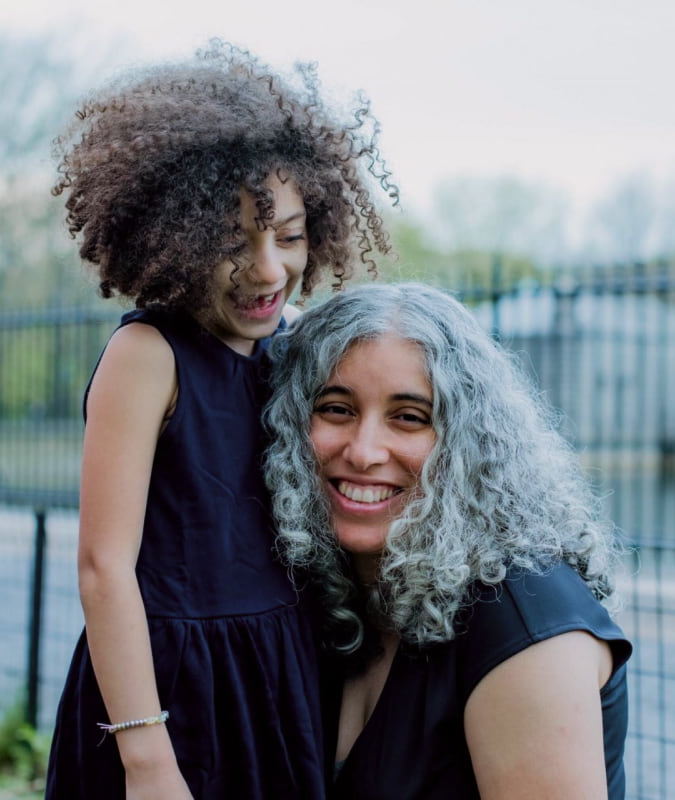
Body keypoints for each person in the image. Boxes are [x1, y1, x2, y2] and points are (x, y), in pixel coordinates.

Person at [44, 40, 396, 800]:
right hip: (169, 693)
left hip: (280, 676)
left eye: (291, 236)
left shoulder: (299, 343)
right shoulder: (148, 355)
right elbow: (104, 570)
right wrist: (146, 759)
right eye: (233, 243)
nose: (268, 267)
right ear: (170, 238)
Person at [264, 283, 633, 800]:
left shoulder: (523, 620)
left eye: (409, 417)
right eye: (336, 408)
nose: (365, 451)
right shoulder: (332, 593)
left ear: (470, 444)